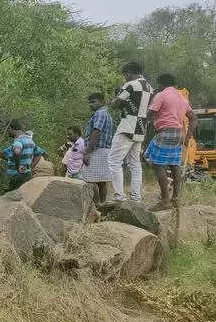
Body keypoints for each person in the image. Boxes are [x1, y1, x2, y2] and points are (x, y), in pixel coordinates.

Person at [145, 74, 198, 211]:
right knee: (174, 165)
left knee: (157, 163)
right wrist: (188, 136)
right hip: (179, 133)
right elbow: (193, 118)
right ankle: (175, 198)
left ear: (162, 84)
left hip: (165, 131)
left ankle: (165, 200)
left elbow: (150, 113)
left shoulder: (162, 95)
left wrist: (152, 121)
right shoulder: (182, 98)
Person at [108, 62, 153, 201]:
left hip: (128, 126)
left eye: (125, 74)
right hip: (141, 128)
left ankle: (119, 195)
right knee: (135, 164)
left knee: (114, 160)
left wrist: (115, 97)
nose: (125, 77)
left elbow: (116, 104)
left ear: (129, 72)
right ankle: (136, 196)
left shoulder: (131, 85)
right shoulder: (150, 88)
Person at [82, 93, 115, 204]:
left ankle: (96, 206)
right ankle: (102, 204)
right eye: (89, 103)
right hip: (104, 150)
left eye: (93, 102)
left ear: (102, 102)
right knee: (101, 181)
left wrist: (87, 152)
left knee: (90, 180)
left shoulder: (100, 113)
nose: (91, 105)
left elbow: (96, 132)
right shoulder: (106, 114)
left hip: (97, 150)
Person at [0, 119, 37, 191]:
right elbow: (37, 153)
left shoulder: (18, 140)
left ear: (11, 128)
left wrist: (18, 166)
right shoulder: (30, 140)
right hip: (27, 175)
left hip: (17, 176)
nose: (8, 132)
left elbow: (17, 151)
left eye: (8, 130)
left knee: (13, 200)